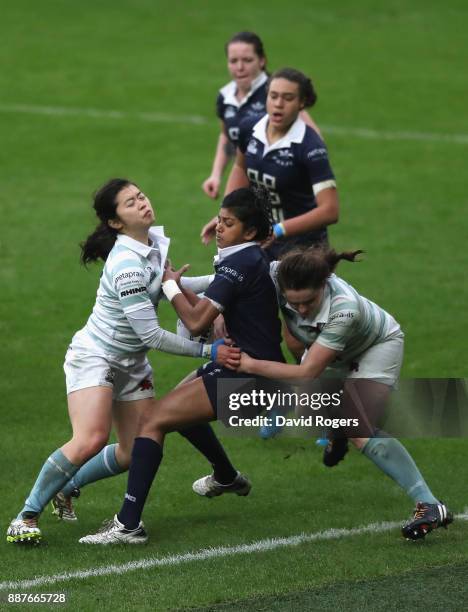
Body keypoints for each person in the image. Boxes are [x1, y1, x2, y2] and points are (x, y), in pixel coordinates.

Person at [6, 178, 240, 545]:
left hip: (131, 364)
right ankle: (25, 516)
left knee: (134, 450)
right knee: (91, 437)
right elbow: (152, 335)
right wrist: (208, 351)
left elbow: (172, 284)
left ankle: (69, 487)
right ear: (115, 222)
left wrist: (232, 276)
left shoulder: (153, 243)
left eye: (141, 196)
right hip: (96, 357)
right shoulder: (126, 266)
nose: (143, 204)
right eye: (131, 203)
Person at [78, 186, 285, 545]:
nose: (218, 227)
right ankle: (225, 475)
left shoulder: (241, 263)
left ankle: (128, 525)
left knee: (153, 420)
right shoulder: (246, 257)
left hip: (248, 376)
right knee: (178, 410)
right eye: (219, 219)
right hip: (249, 370)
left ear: (249, 232)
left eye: (228, 223)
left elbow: (194, 322)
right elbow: (213, 302)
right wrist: (172, 285)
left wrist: (171, 286)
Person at [237, 246, 453, 541]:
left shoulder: (344, 308)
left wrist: (249, 364)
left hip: (376, 346)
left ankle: (429, 504)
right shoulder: (278, 274)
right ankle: (337, 431)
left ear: (323, 286)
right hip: (334, 353)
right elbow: (228, 279)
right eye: (293, 303)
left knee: (359, 427)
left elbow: (307, 373)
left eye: (308, 302)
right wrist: (174, 284)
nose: (300, 311)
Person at [201, 67, 338, 262]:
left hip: (303, 253)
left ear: (302, 103)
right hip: (262, 241)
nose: (278, 104)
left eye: (288, 98)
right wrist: (226, 214)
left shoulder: (311, 147)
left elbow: (330, 210)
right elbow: (241, 167)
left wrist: (279, 229)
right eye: (273, 96)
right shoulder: (249, 128)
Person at [202, 32, 321, 202]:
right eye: (233, 61)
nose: (240, 67)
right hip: (248, 187)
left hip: (282, 191)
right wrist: (215, 175)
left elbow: (315, 140)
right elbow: (228, 137)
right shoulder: (225, 97)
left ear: (262, 60)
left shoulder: (277, 93)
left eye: (247, 60)